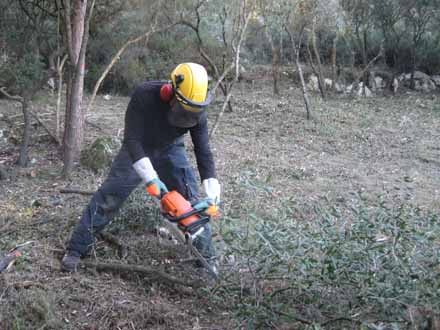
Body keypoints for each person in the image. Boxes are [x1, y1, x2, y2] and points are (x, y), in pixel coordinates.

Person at [62, 62, 221, 274]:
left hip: (171, 149)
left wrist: (212, 191)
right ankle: (76, 249)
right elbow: (132, 139)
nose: (186, 115)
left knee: (190, 203)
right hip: (137, 148)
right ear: (170, 92)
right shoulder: (145, 95)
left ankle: (208, 261)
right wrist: (150, 177)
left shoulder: (197, 110)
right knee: (110, 195)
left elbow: (203, 150)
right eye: (183, 108)